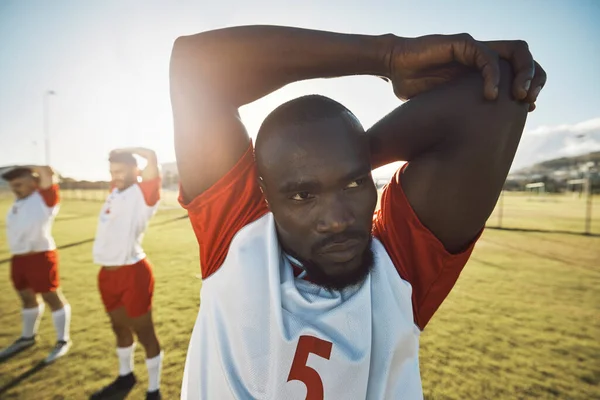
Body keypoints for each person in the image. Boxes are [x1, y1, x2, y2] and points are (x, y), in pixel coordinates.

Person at [170, 26, 546, 399]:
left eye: (353, 184)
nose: (337, 219)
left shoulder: (398, 272)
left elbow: (500, 92)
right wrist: (387, 56)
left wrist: (347, 151)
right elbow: (196, 66)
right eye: (303, 194)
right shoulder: (236, 238)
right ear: (267, 195)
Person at [90, 148, 163, 400]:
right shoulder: (115, 192)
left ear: (136, 171)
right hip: (106, 275)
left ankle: (153, 390)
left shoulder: (142, 194)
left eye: (120, 171)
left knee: (144, 333)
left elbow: (152, 158)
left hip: (133, 272)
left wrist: (130, 150)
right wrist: (116, 159)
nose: (115, 176)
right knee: (119, 328)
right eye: (112, 172)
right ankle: (125, 376)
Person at [0, 166, 72, 364]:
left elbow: (47, 172)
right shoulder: (17, 202)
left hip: (40, 256)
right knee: (26, 297)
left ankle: (62, 340)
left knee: (51, 296)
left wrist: (28, 166)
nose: (15, 188)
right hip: (19, 258)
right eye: (12, 185)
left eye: (19, 183)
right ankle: (27, 337)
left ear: (34, 182)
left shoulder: (44, 198)